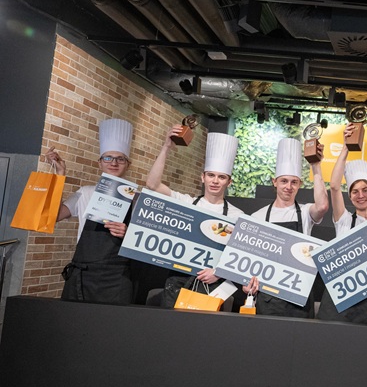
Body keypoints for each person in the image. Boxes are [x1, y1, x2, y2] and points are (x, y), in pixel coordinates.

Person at [45, 118, 135, 304]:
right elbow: (53, 216)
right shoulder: (85, 192)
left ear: (128, 164)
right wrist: (60, 175)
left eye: (120, 159)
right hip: (82, 275)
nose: (114, 163)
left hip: (116, 278)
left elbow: (145, 243)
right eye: (108, 158)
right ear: (99, 163)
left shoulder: (136, 198)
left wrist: (128, 233)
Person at [147, 125, 244, 292]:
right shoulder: (187, 202)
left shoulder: (237, 215)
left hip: (211, 283)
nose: (215, 181)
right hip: (177, 278)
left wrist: (218, 272)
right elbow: (152, 185)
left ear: (229, 182)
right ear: (203, 177)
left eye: (221, 177)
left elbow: (239, 255)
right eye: (211, 175)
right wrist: (166, 147)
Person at [247, 137, 329, 318]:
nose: (288, 187)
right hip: (268, 295)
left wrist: (316, 166)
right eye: (284, 181)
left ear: (300, 185)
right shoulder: (258, 217)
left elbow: (323, 206)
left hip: (299, 293)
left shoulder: (306, 212)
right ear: (274, 182)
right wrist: (248, 282)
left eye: (294, 182)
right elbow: (251, 257)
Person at [316, 123, 367, 325]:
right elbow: (334, 186)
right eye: (355, 191)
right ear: (350, 196)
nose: (360, 195)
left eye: (365, 190)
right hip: (339, 295)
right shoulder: (344, 220)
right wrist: (346, 147)